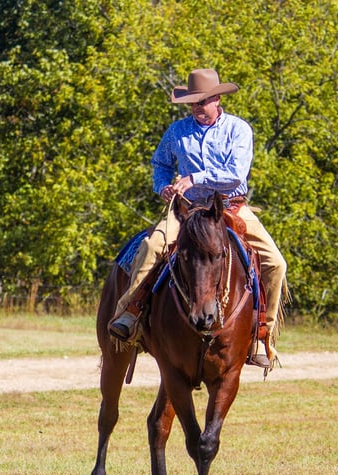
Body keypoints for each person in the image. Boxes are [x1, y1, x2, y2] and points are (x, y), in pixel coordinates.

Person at [109, 68, 287, 368]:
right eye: (192, 103)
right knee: (153, 245)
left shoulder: (238, 130)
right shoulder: (177, 131)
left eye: (202, 102)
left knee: (275, 262)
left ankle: (261, 334)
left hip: (230, 207)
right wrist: (163, 186)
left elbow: (235, 175)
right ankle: (131, 312)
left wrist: (194, 178)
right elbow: (160, 162)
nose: (196, 109)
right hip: (187, 209)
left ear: (217, 99)